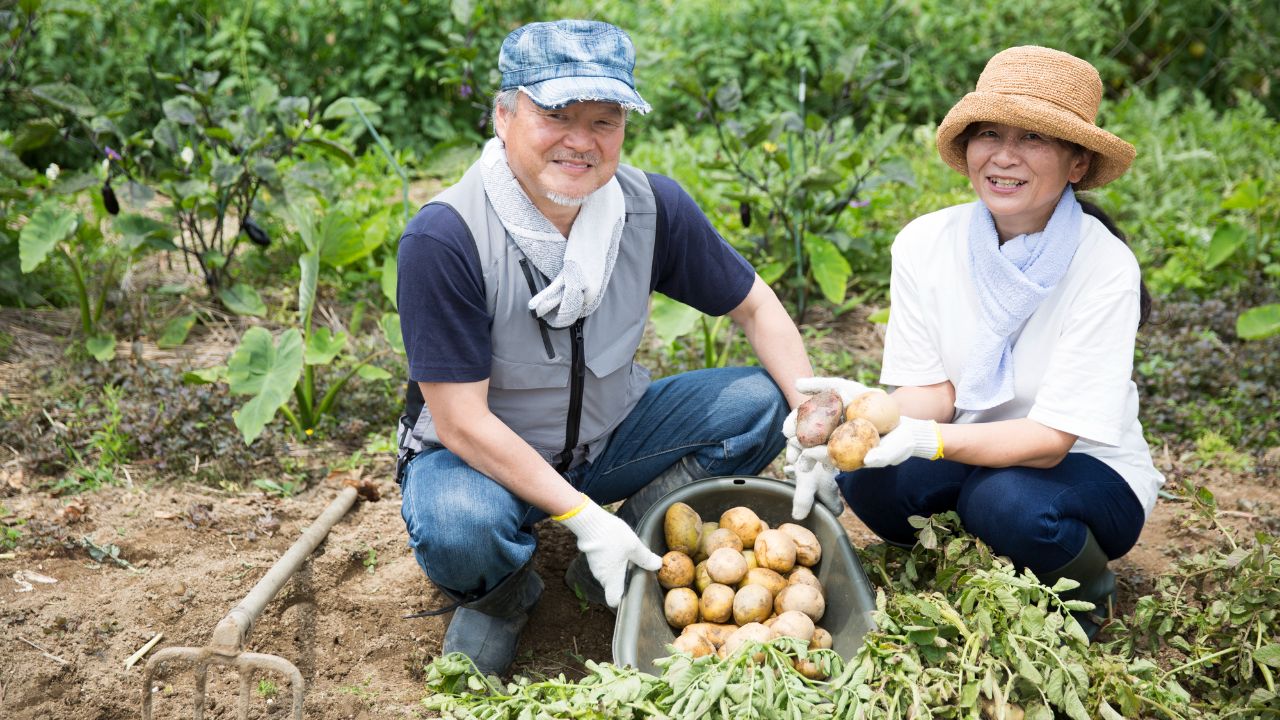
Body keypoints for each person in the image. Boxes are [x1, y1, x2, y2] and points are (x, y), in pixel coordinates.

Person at [394, 19, 818, 675]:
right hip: (482, 461)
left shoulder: (649, 208)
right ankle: (501, 599)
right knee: (460, 527)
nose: (581, 141)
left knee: (759, 403)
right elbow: (461, 422)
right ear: (504, 116)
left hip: (606, 438)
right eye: (558, 114)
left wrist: (814, 420)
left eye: (605, 121)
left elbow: (755, 304)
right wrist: (585, 518)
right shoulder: (447, 236)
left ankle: (636, 545)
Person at [788, 46, 1164, 635]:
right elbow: (933, 392)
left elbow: (1049, 442)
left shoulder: (1104, 265)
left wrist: (926, 438)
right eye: (989, 133)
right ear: (967, 150)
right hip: (968, 445)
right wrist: (853, 412)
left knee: (1004, 502)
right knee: (869, 476)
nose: (1004, 156)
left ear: (1077, 164)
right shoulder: (925, 242)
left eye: (1034, 138)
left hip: (1087, 469)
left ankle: (1088, 592)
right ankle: (970, 560)